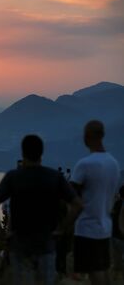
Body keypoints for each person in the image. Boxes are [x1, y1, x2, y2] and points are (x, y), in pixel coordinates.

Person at [0, 135, 83, 285]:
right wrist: (61, 229)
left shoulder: (13, 177)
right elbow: (78, 205)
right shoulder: (54, 177)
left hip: (20, 246)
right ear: (41, 153)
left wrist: (2, 235)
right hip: (46, 244)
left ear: (23, 152)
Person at [71, 120, 121, 285]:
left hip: (86, 228)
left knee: (93, 272)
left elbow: (72, 197)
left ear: (87, 137)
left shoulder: (85, 164)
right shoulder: (113, 164)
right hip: (105, 227)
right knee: (103, 269)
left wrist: (63, 225)